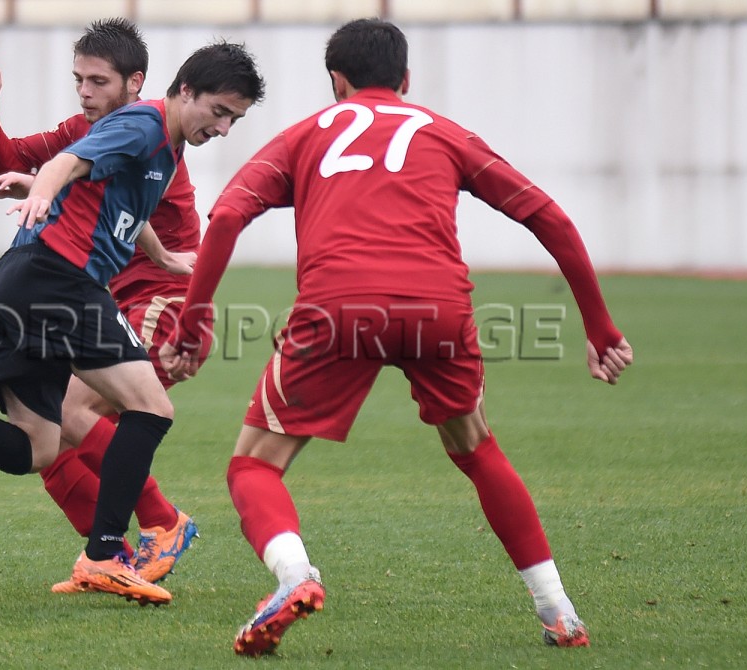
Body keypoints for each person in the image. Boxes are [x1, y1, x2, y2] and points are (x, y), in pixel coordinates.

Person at [161, 18, 633, 655]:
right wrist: (599, 326)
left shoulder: (304, 135)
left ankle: (295, 577)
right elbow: (547, 215)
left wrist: (193, 322)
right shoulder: (442, 132)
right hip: (438, 309)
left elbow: (225, 218)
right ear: (406, 79)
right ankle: (559, 612)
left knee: (253, 466)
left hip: (338, 309)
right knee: (477, 450)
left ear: (337, 81)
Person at [0, 40, 265, 606]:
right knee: (150, 408)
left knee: (40, 447)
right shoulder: (143, 125)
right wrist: (42, 193)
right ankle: (109, 553)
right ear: (185, 91)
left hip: (13, 283)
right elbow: (63, 164)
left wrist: (164, 258)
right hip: (59, 281)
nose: (222, 128)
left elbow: (124, 204)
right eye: (219, 112)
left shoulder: (160, 143)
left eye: (233, 119)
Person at [0, 19, 208, 592]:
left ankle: (163, 524)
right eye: (79, 80)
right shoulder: (88, 128)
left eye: (98, 81)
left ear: (134, 83)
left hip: (158, 303)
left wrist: (44, 188)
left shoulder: (145, 134)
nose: (84, 92)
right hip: (89, 297)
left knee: (71, 415)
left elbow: (107, 194)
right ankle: (106, 559)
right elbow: (8, 158)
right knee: (45, 441)